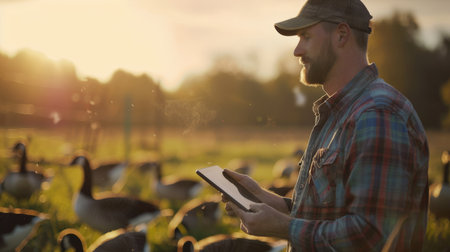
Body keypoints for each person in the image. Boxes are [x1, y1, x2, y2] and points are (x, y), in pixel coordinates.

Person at [222, 0, 429, 251]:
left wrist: (283, 227)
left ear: (341, 35)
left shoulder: (378, 114)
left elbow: (371, 235)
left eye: (306, 37)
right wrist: (269, 200)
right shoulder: (342, 112)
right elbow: (331, 214)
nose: (297, 51)